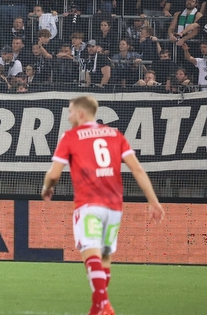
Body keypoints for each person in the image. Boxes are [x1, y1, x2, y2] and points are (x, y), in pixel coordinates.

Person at [41, 95, 164, 315]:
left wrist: (47, 187)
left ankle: (102, 305)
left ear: (80, 113)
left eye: (70, 112)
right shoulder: (115, 135)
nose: (68, 116)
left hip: (88, 204)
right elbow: (137, 169)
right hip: (115, 207)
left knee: (90, 254)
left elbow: (54, 174)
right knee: (105, 255)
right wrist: (153, 201)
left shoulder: (70, 137)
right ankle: (98, 308)